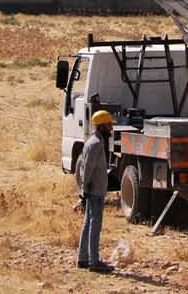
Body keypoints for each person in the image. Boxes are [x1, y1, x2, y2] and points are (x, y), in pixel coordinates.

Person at [76, 110, 114, 273]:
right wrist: (85, 188)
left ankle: (83, 259)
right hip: (95, 190)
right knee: (94, 226)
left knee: (88, 224)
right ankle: (94, 261)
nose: (111, 127)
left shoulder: (95, 141)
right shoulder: (96, 144)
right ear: (102, 126)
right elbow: (88, 168)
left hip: (94, 189)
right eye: (109, 124)